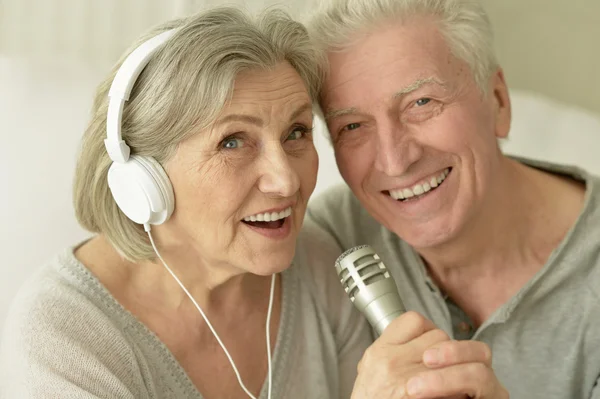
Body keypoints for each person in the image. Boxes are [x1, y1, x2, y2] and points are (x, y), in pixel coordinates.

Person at [0, 7, 378, 398]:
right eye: (232, 141)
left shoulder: (318, 265)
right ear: (144, 178)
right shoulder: (64, 339)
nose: (286, 181)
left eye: (296, 132)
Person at [306, 0, 600, 398]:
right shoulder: (331, 240)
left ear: (498, 101)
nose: (394, 162)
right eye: (353, 125)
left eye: (421, 103)